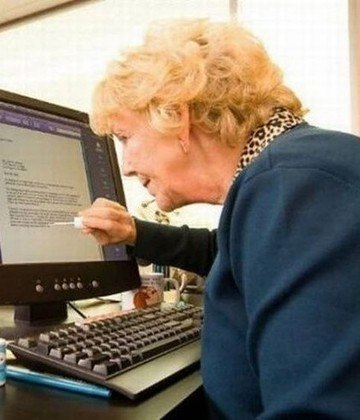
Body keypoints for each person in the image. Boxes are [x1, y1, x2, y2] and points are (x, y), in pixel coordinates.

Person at [79, 19, 360, 418]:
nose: (125, 166)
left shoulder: (295, 186)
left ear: (176, 115)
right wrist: (133, 231)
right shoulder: (287, 177)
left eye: (125, 137)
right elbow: (231, 254)